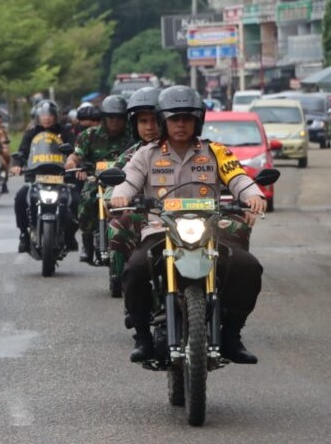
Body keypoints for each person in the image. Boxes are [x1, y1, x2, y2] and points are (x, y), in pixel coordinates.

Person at [110, 85, 267, 364]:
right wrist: (120, 193)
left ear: (198, 120)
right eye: (173, 118)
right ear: (163, 120)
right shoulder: (146, 154)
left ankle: (232, 334)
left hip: (209, 230)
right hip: (161, 230)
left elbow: (238, 178)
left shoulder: (215, 151)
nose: (180, 124)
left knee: (248, 266)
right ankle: (143, 337)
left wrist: (253, 195)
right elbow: (129, 179)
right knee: (134, 269)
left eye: (186, 118)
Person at [64, 95, 134, 263]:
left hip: (127, 180)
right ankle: (87, 243)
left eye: (119, 118)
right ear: (104, 118)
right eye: (111, 117)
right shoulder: (89, 135)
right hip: (96, 179)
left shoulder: (132, 134)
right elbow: (75, 156)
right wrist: (71, 163)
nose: (115, 122)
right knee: (86, 200)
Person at [105, 87, 161, 291]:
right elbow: (115, 185)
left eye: (155, 120)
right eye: (143, 121)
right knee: (118, 227)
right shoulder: (130, 156)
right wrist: (116, 199)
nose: (150, 127)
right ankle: (128, 286)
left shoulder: (190, 148)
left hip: (189, 217)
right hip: (147, 217)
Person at [11, 99, 77, 252]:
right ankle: (23, 234)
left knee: (75, 200)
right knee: (20, 199)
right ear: (38, 117)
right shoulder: (31, 132)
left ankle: (70, 235)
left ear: (55, 116)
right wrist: (17, 165)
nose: (46, 118)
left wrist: (73, 161)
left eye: (50, 115)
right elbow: (22, 151)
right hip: (36, 177)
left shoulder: (65, 131)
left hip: (61, 177)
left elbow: (75, 150)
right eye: (43, 115)